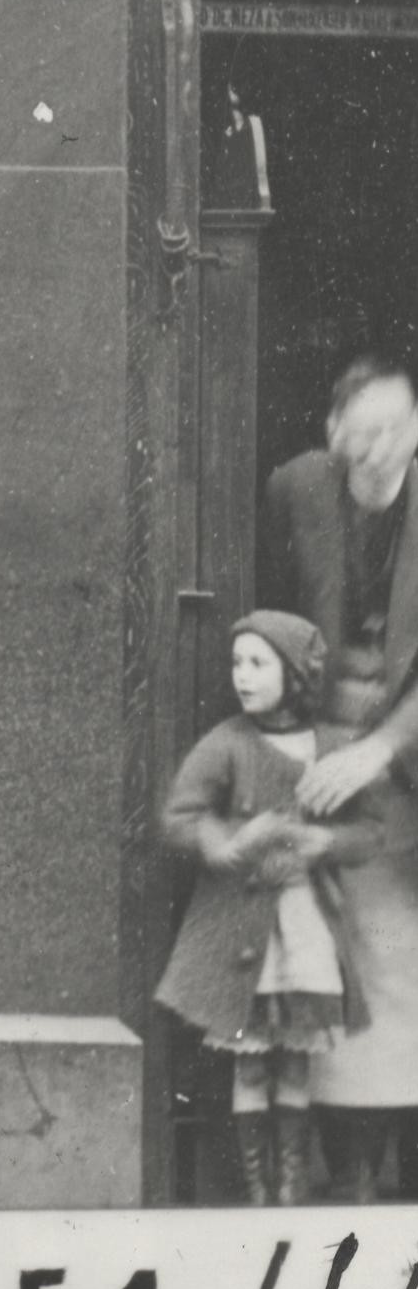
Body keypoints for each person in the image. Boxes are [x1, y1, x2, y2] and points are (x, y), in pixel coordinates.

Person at [156, 609, 378, 1204]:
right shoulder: (227, 743)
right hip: (241, 933)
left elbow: (369, 831)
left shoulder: (331, 747)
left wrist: (324, 842)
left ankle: (291, 1186)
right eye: (236, 663)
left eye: (258, 663)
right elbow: (179, 820)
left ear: (296, 675)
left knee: (297, 1061)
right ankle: (257, 1190)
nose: (242, 677)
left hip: (305, 927)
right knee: (250, 1062)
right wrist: (230, 841)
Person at [267, 354, 418, 1198]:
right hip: (318, 758)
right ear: (332, 434)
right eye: (360, 431)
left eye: (395, 427)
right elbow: (266, 616)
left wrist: (381, 747)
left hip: (406, 758)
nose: (378, 449)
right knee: (328, 962)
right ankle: (346, 1173)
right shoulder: (294, 489)